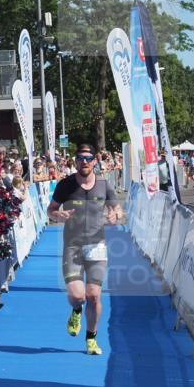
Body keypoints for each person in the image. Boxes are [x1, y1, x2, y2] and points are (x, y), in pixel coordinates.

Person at [48, 144, 119, 356]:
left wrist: (116, 215)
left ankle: (91, 339)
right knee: (78, 296)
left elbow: (117, 208)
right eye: (80, 158)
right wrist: (57, 215)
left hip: (97, 246)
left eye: (88, 158)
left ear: (95, 161)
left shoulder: (104, 185)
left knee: (94, 295)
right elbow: (50, 210)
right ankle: (76, 310)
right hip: (73, 246)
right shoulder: (65, 185)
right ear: (75, 160)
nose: (84, 162)